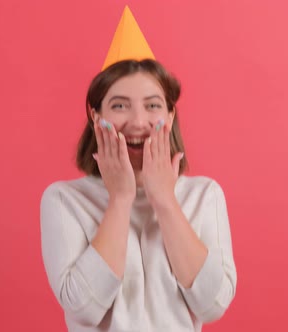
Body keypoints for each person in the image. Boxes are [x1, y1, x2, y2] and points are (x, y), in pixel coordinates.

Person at [40, 59, 237, 331]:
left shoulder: (204, 195)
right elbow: (84, 308)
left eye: (152, 105)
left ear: (169, 116)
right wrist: (120, 199)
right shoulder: (64, 200)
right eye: (119, 105)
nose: (137, 121)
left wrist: (165, 201)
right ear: (97, 117)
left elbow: (212, 305)